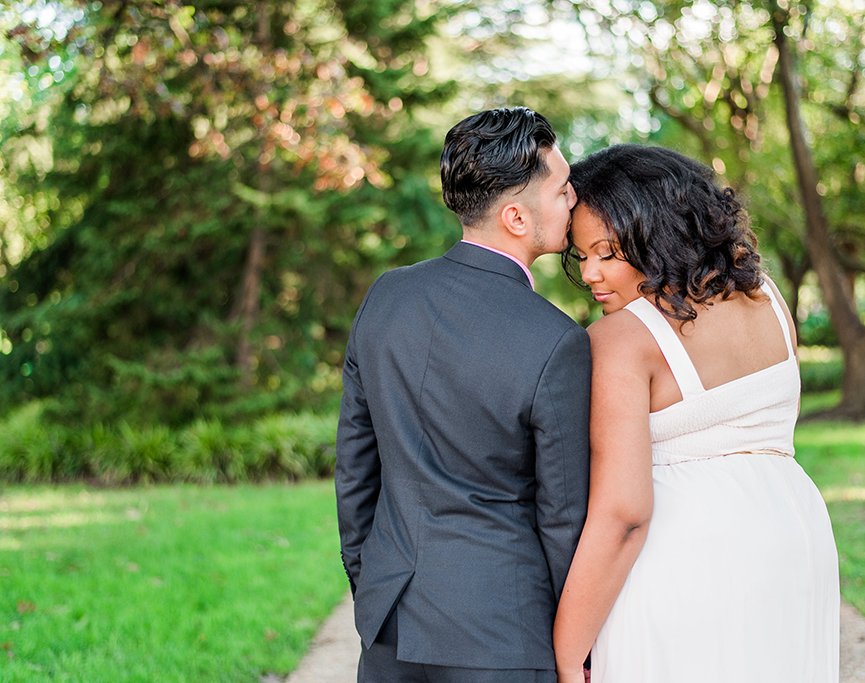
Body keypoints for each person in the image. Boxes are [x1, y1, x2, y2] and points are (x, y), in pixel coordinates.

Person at [552, 144, 839, 683]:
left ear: (658, 235)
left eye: (609, 252)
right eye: (580, 254)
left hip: (690, 557)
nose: (590, 273)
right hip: (795, 533)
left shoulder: (620, 339)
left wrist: (568, 652)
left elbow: (624, 513)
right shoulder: (766, 298)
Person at [335, 107, 592, 683]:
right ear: (517, 217)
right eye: (563, 189)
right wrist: (574, 642)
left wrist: (369, 580)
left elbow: (355, 465)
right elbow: (562, 517)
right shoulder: (558, 342)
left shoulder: (386, 297)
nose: (574, 200)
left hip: (390, 620)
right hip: (505, 634)